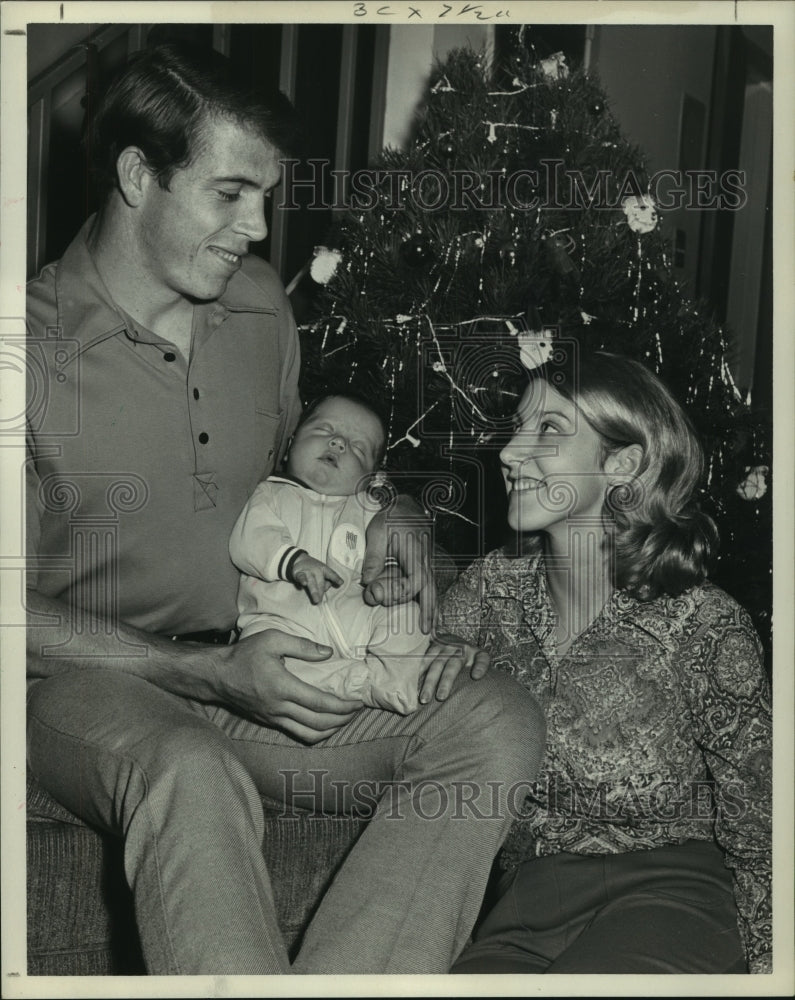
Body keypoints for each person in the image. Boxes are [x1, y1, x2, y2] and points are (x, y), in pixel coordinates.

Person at [25, 43, 546, 975]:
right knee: (190, 768)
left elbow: (307, 463)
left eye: (264, 195)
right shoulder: (23, 348)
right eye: (228, 194)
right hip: (88, 688)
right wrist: (212, 677)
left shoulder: (261, 304)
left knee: (495, 718)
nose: (257, 229)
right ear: (138, 176)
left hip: (261, 667)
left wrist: (394, 511)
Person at [439, 351, 772, 974]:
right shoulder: (490, 591)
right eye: (517, 428)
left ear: (621, 464)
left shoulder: (704, 623)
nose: (510, 453)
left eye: (546, 432)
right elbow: (402, 704)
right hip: (524, 908)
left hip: (676, 894)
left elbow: (762, 827)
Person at [230, 392, 435, 714]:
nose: (338, 443)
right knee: (266, 654)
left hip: (360, 614)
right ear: (289, 445)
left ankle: (398, 679)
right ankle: (358, 683)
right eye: (324, 430)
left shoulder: (369, 508)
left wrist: (392, 575)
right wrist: (293, 560)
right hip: (283, 620)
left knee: (408, 618)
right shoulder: (271, 493)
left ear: (372, 476)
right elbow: (250, 540)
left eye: (357, 447)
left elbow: (388, 550)